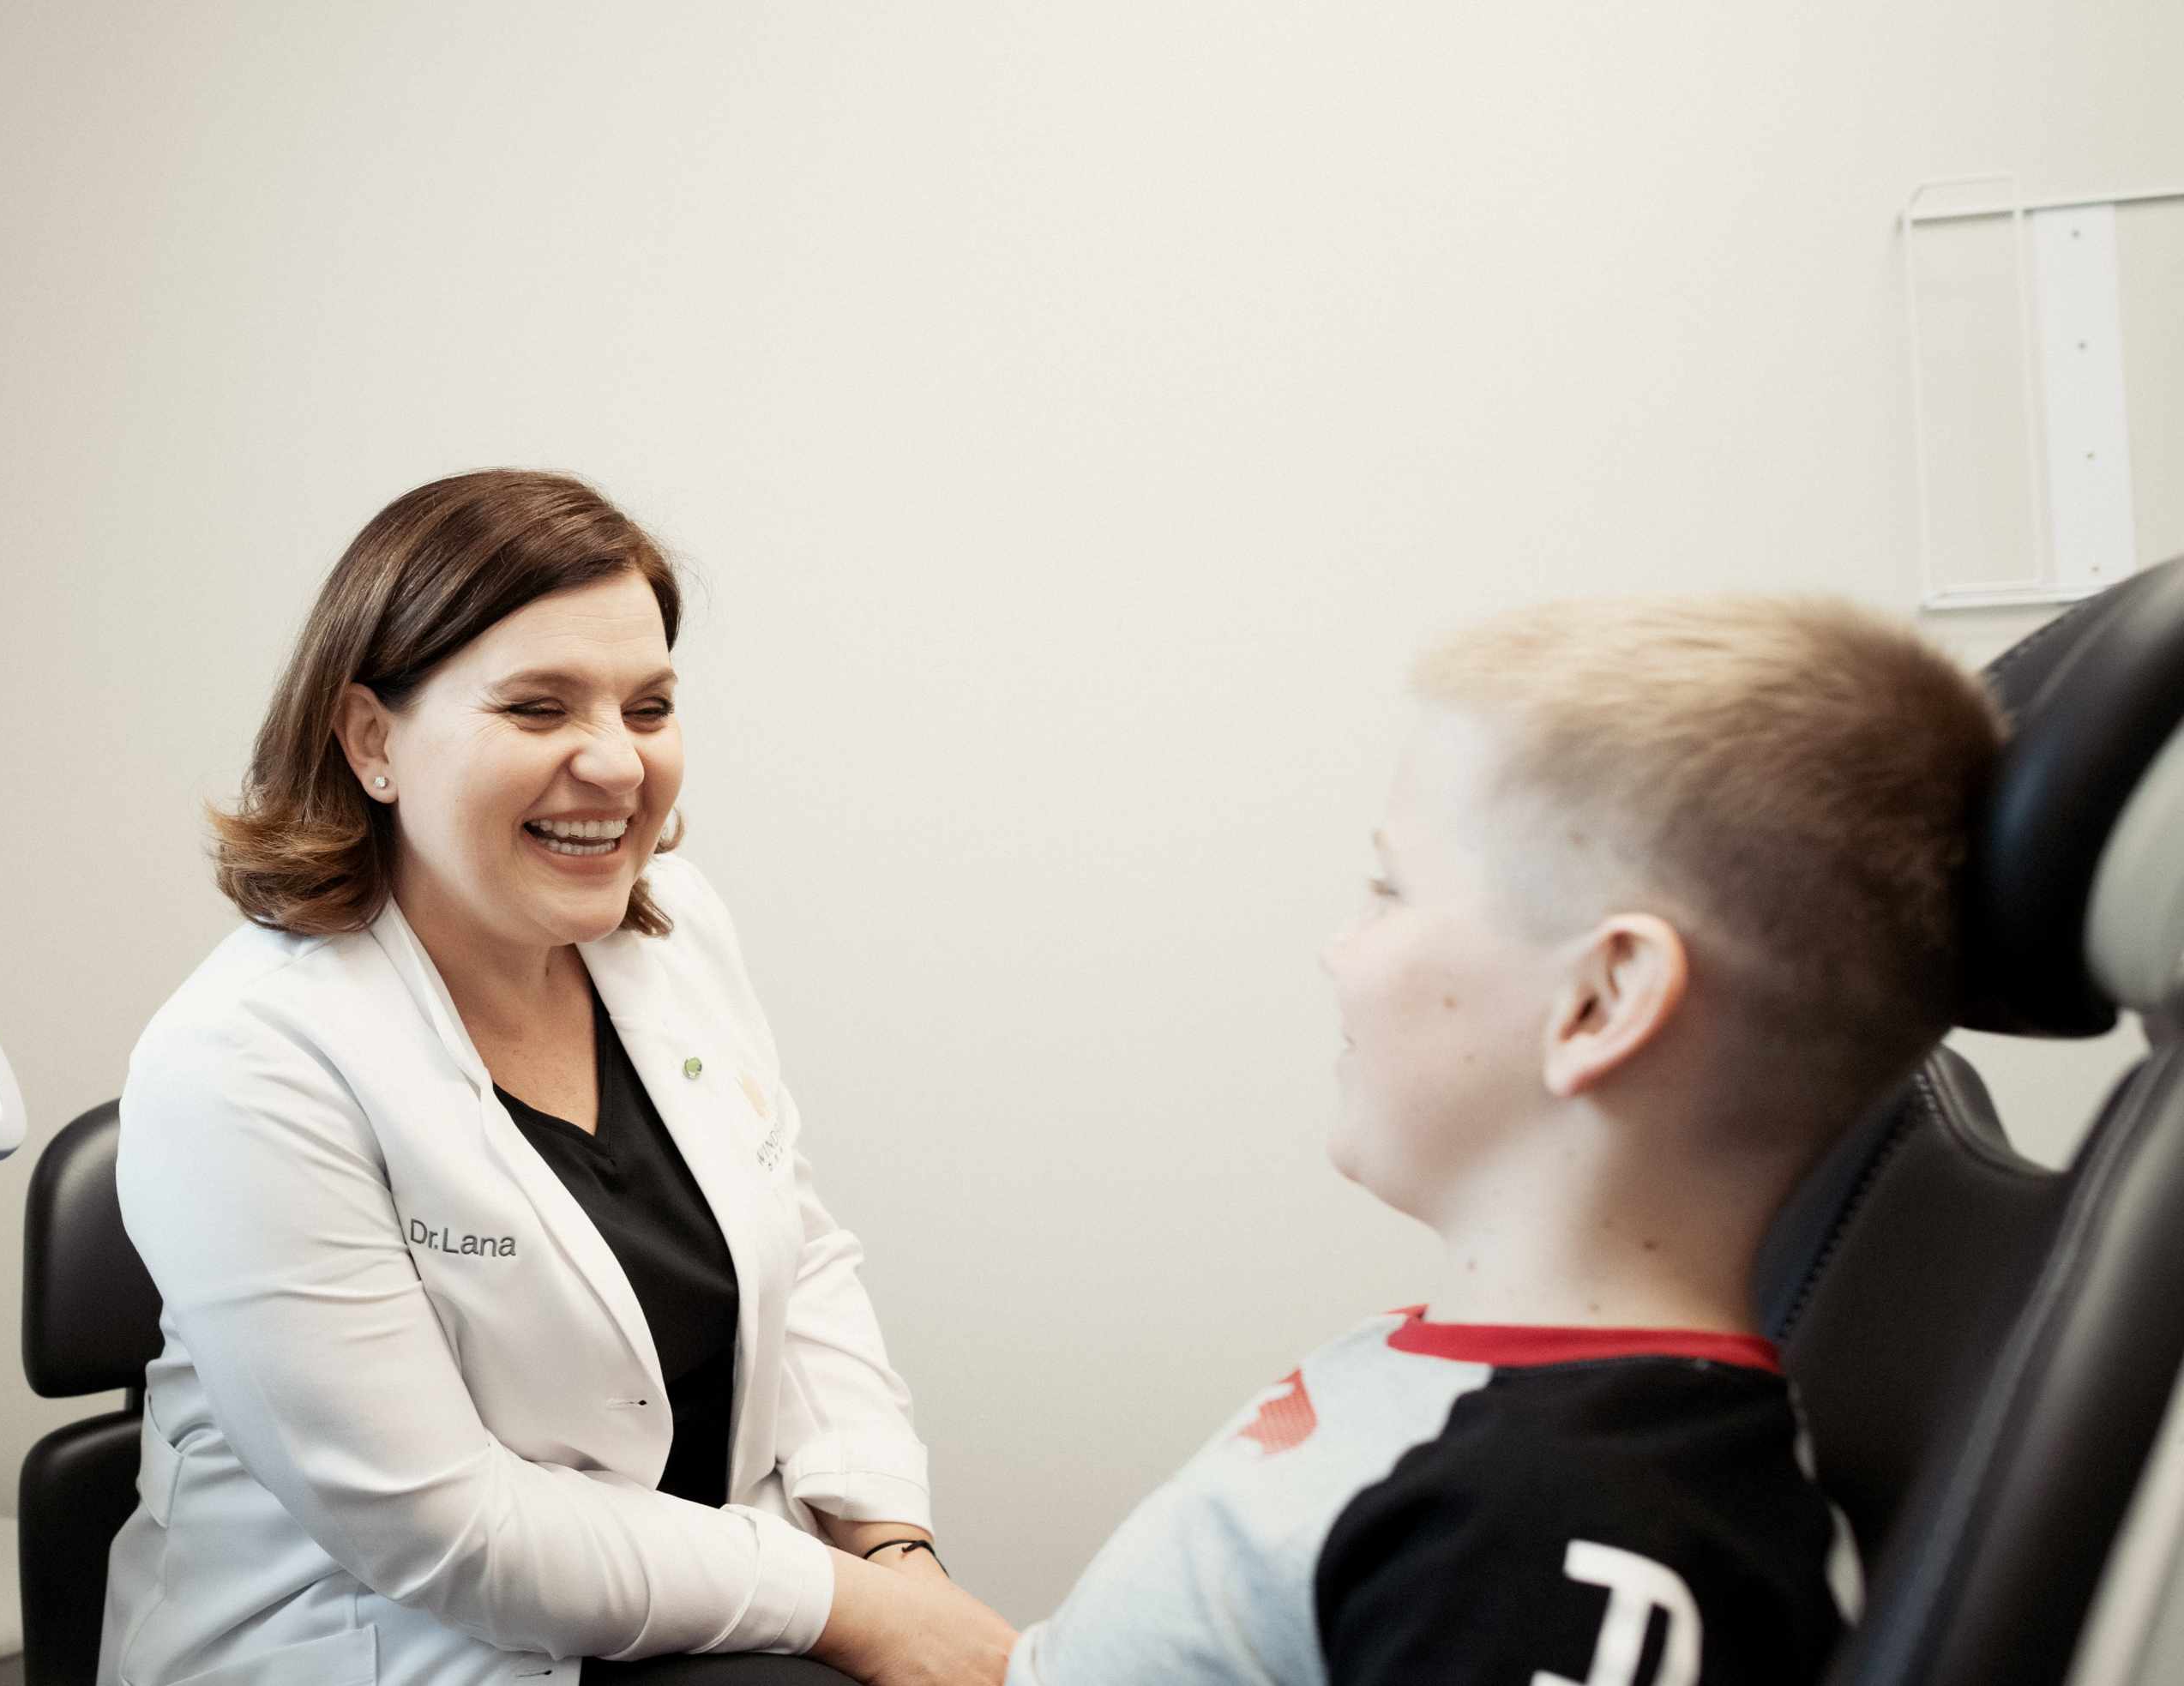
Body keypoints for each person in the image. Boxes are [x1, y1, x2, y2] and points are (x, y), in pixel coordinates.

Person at [108, 471, 1014, 1686]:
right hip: (396, 1643)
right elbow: (449, 1528)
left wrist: (894, 1548)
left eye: (649, 708)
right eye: (539, 708)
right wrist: (849, 1606)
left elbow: (802, 1270)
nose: (618, 763)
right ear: (372, 740)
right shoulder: (243, 1060)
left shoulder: (674, 930)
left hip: (708, 1614)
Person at [1012, 596, 2005, 1686]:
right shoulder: (1469, 1397)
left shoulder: (1561, 1543)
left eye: (1389, 890)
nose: (1340, 952)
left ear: (1600, 1001)